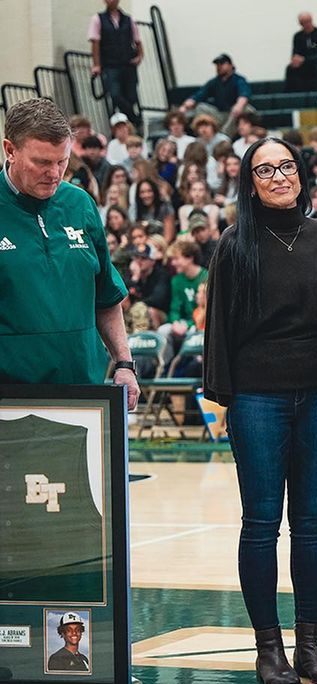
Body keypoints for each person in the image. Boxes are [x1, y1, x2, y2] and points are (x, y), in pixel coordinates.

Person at [204, 136, 317, 684]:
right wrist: (224, 398)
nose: (278, 176)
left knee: (312, 525)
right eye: (264, 169)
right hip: (258, 399)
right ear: (250, 182)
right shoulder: (234, 244)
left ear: (300, 173)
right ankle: (269, 650)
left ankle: (310, 646)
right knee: (261, 524)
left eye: (286, 165)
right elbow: (217, 323)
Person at [0, 99, 138, 401]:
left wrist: (124, 363)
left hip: (83, 394)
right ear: (10, 150)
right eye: (42, 162)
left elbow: (106, 296)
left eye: (62, 161)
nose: (55, 173)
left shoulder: (81, 204)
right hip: (10, 399)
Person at [89, 0, 142, 124]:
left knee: (131, 97)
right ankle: (135, 120)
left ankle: (128, 125)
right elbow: (95, 43)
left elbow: (137, 40)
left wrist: (140, 56)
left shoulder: (129, 20)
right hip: (110, 65)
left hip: (128, 64)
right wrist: (97, 64)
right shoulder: (97, 19)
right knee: (115, 94)